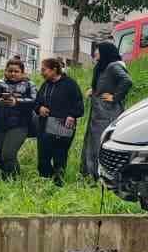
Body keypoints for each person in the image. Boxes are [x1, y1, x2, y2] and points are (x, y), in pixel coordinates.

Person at [81, 40, 133, 181]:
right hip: (99, 112)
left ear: (105, 52)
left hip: (107, 113)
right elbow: (107, 83)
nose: (95, 53)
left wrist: (115, 97)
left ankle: (103, 177)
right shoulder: (103, 68)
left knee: (101, 144)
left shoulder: (113, 66)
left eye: (97, 50)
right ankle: (91, 176)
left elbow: (127, 81)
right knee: (93, 143)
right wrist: (95, 90)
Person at [34, 57, 84, 185]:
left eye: (44, 70)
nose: (41, 73)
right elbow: (37, 102)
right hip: (45, 125)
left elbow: (79, 104)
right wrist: (40, 108)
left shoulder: (70, 84)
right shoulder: (45, 85)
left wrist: (72, 115)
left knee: (59, 158)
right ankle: (45, 184)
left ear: (54, 69)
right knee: (43, 159)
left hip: (63, 125)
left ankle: (58, 185)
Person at [0, 57, 37, 179]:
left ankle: (14, 181)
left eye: (16, 71)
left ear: (22, 72)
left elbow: (35, 101)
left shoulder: (29, 85)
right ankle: (1, 182)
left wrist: (16, 102)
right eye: (10, 71)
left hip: (19, 125)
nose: (13, 74)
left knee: (8, 154)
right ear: (5, 71)